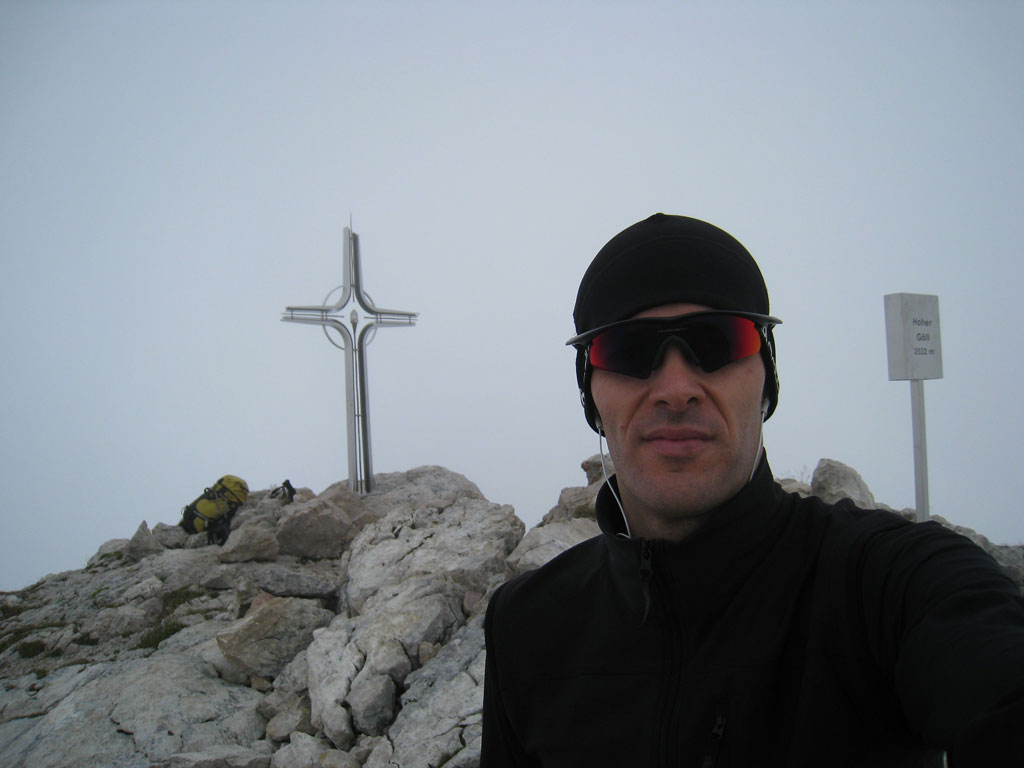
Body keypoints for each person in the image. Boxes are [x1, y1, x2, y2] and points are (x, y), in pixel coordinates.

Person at [481, 213, 1024, 767]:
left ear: (767, 379)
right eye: (627, 350)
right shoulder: (526, 626)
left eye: (717, 341)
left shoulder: (884, 584)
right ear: (591, 394)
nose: (676, 390)